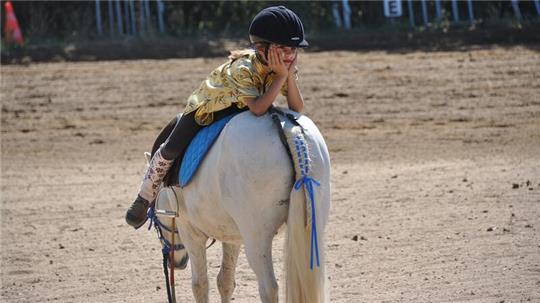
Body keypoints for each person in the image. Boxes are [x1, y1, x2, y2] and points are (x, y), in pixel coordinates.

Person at [125, 5, 308, 228]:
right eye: (283, 48)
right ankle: (144, 197)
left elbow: (296, 108)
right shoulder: (244, 68)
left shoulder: (284, 65)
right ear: (261, 48)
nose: (290, 55)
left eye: (294, 49)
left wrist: (287, 75)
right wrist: (281, 76)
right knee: (172, 147)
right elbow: (258, 109)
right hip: (207, 108)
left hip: (241, 108)